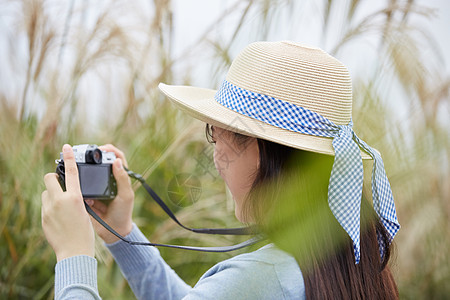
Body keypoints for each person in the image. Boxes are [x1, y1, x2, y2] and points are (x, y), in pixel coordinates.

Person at [41, 41, 400, 299]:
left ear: (266, 154)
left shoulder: (261, 279)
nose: (216, 157)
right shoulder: (346, 258)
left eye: (221, 134)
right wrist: (122, 234)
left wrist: (74, 254)